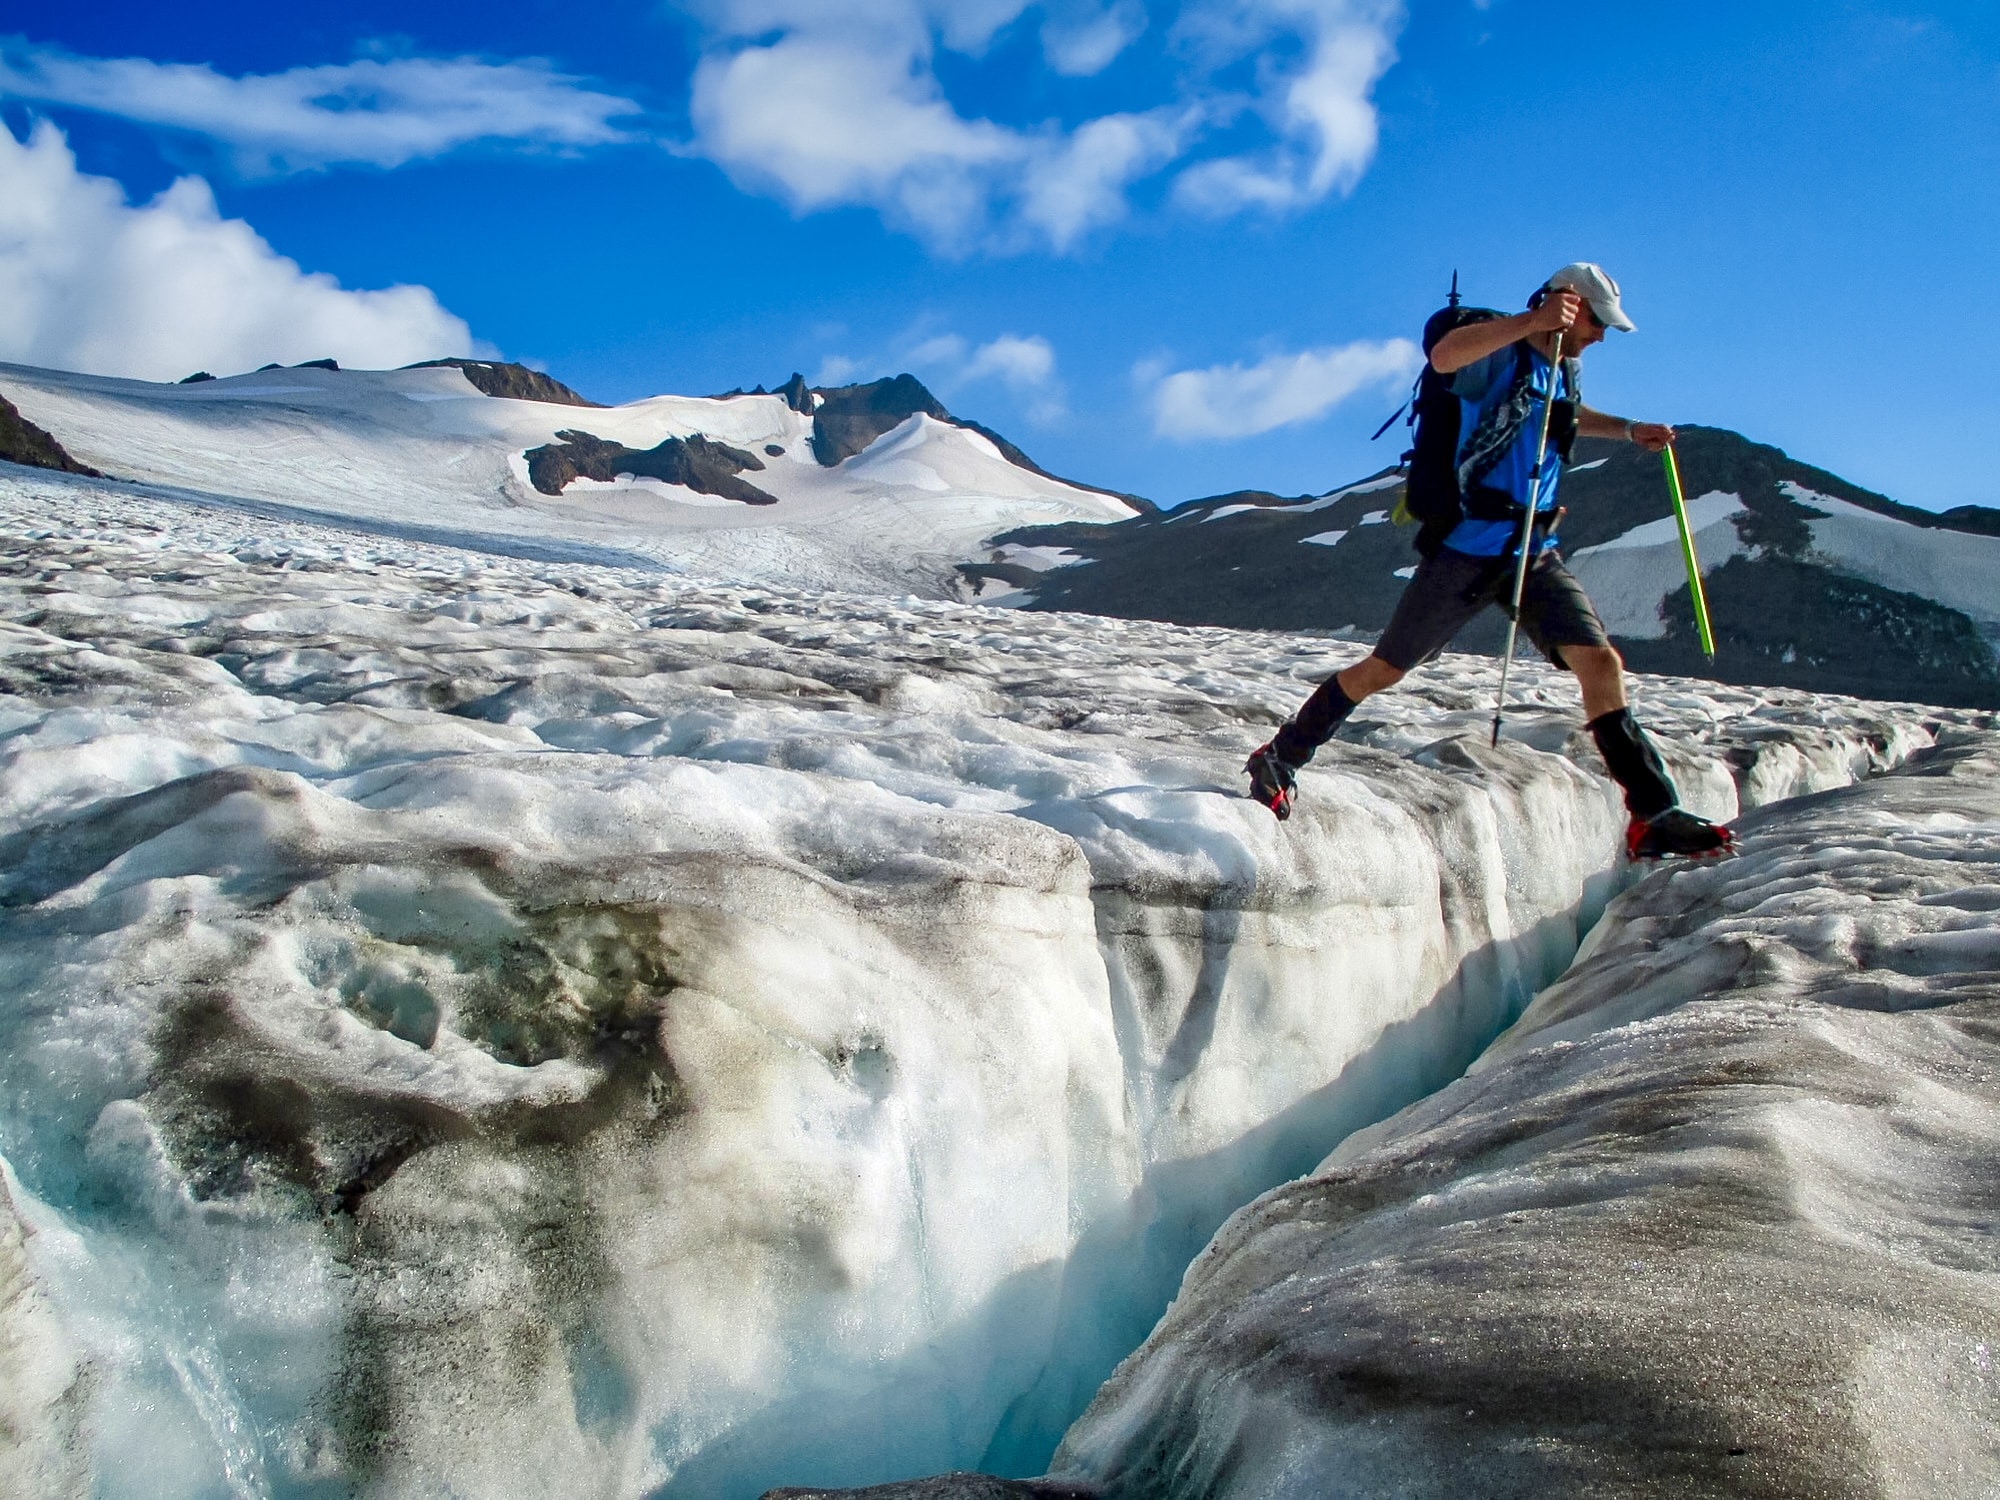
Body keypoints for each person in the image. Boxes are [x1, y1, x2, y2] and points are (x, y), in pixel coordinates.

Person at [1244, 262, 1734, 861]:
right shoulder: (1498, 355)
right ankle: (1282, 754)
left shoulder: (1563, 370)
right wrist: (1531, 320)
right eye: (1597, 323)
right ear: (1567, 306)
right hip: (1468, 549)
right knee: (1384, 670)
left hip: (1534, 552)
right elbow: (1445, 358)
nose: (1601, 336)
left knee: (1600, 663)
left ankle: (1652, 813)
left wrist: (1629, 431)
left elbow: (1567, 421)